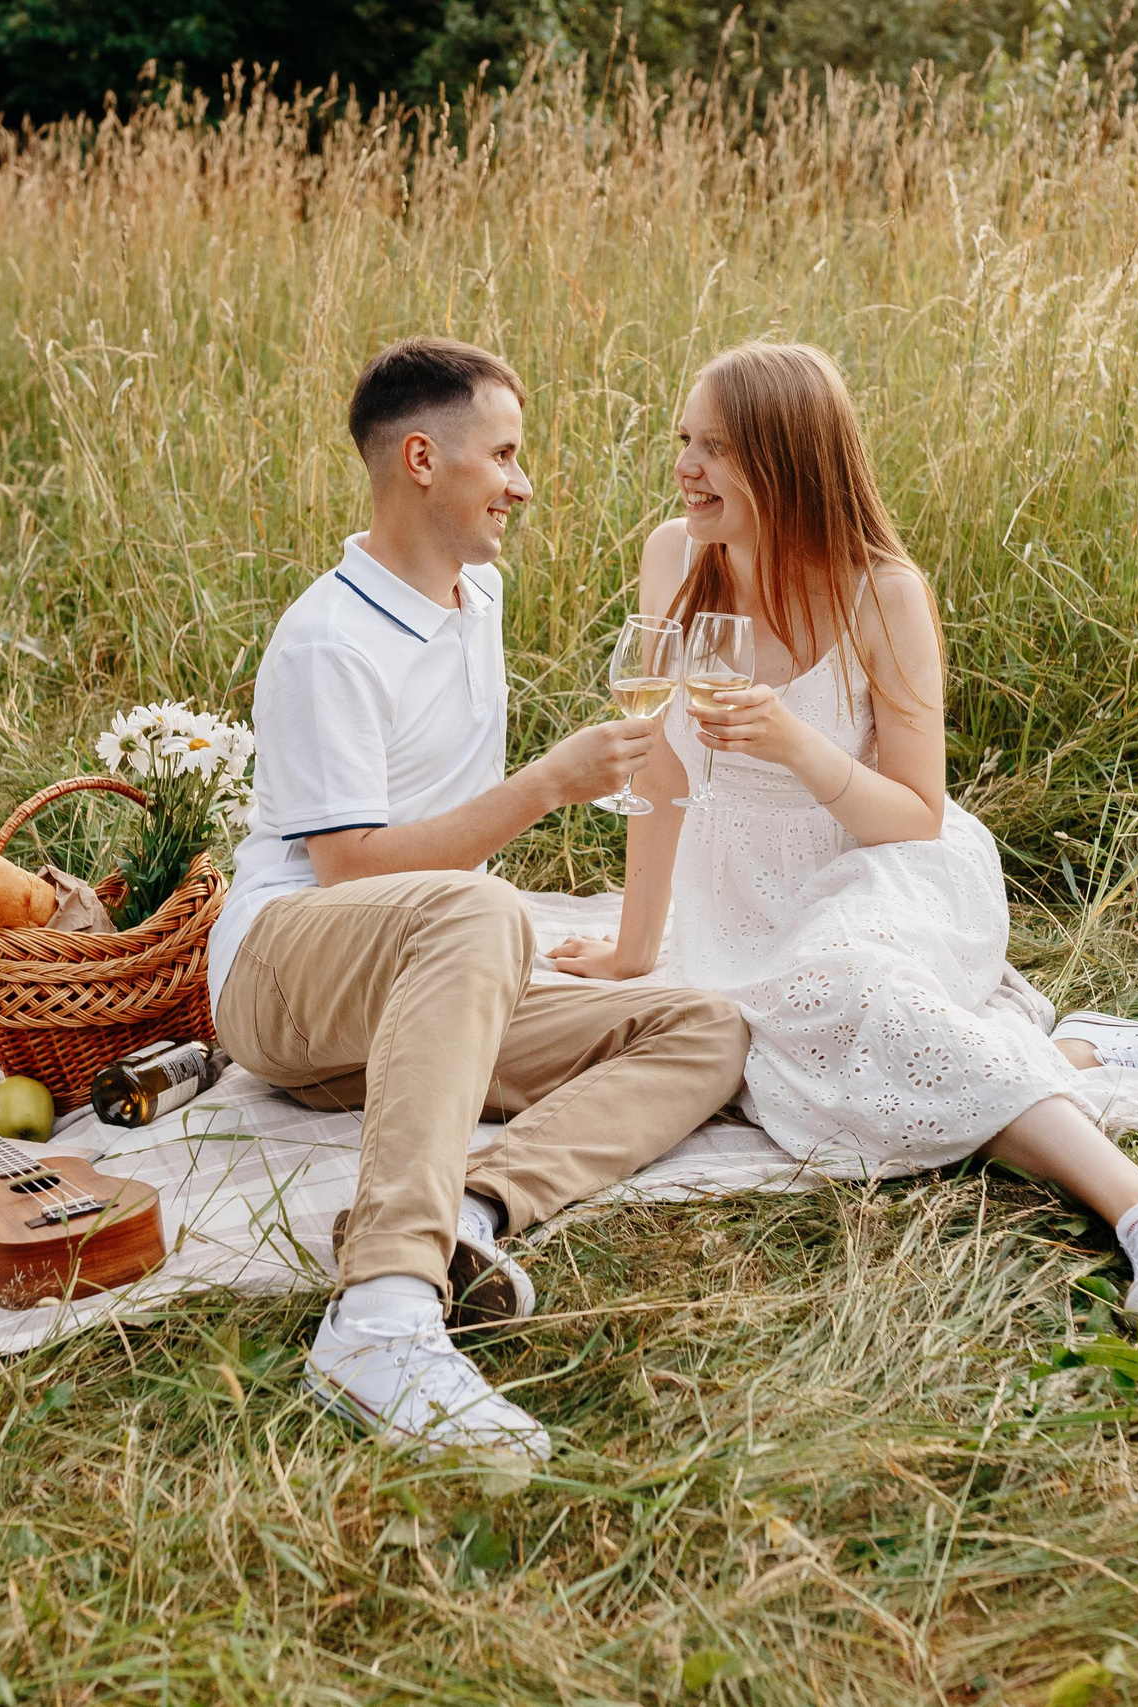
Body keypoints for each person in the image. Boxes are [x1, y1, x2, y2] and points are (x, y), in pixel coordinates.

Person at [551, 341, 1138, 1316]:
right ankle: (1088, 1054)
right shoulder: (673, 554)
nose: (683, 467)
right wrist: (639, 951)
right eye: (683, 440)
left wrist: (800, 747)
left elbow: (914, 813)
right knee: (773, 1062)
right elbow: (664, 768)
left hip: (880, 865)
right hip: (739, 896)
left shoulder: (881, 593)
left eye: (712, 447)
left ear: (786, 458)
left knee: (854, 994)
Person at [210, 336, 749, 1461]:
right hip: (283, 978)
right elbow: (352, 869)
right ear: (421, 459)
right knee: (485, 909)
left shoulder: (479, 593)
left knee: (703, 1025)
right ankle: (382, 1314)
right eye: (502, 455)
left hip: (415, 998)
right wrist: (549, 785)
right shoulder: (326, 640)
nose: (523, 481)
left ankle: (469, 1215)